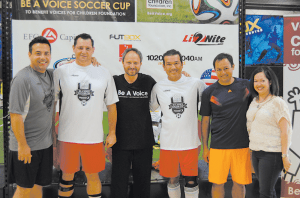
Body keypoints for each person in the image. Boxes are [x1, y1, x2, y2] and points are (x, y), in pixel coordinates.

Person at [53, 33, 118, 198]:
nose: (84, 51)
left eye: (87, 48)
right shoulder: (60, 72)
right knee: (66, 175)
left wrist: (111, 132)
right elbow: (52, 103)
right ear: (73, 48)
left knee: (93, 175)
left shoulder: (103, 72)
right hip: (67, 136)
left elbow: (111, 106)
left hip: (93, 137)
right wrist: (51, 131)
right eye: (80, 48)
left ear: (93, 50)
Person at [150, 49, 206, 198]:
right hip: (169, 144)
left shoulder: (196, 84)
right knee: (173, 179)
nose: (173, 67)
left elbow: (210, 106)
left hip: (190, 143)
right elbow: (153, 111)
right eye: (169, 64)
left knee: (191, 181)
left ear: (182, 64)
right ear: (163, 66)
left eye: (176, 63)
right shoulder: (158, 87)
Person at [200, 53, 252, 198]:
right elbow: (205, 121)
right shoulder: (208, 92)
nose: (223, 72)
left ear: (233, 67)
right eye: (219, 69)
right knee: (217, 183)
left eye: (226, 68)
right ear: (215, 70)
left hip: (242, 145)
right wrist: (205, 148)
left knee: (239, 183)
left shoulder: (246, 85)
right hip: (218, 147)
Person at [8, 36, 54, 198]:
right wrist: (22, 145)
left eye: (46, 53)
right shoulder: (22, 79)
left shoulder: (51, 75)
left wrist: (92, 61)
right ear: (29, 54)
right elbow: (15, 115)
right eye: (38, 53)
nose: (43, 57)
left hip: (45, 146)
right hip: (26, 147)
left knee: (37, 186)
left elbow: (73, 69)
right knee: (24, 189)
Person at [110, 48, 156, 198]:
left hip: (144, 142)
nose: (132, 66)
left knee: (143, 186)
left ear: (141, 64)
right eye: (128, 62)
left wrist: (185, 78)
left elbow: (167, 91)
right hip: (120, 143)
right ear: (122, 63)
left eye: (135, 63)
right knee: (118, 186)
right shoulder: (114, 81)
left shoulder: (148, 81)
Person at [246, 66, 292, 198]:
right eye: (255, 81)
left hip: (272, 154)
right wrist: (251, 152)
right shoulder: (254, 102)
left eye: (262, 80)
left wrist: (285, 156)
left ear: (270, 82)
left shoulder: (278, 102)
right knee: (268, 191)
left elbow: (285, 131)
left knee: (265, 193)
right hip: (256, 153)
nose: (258, 84)